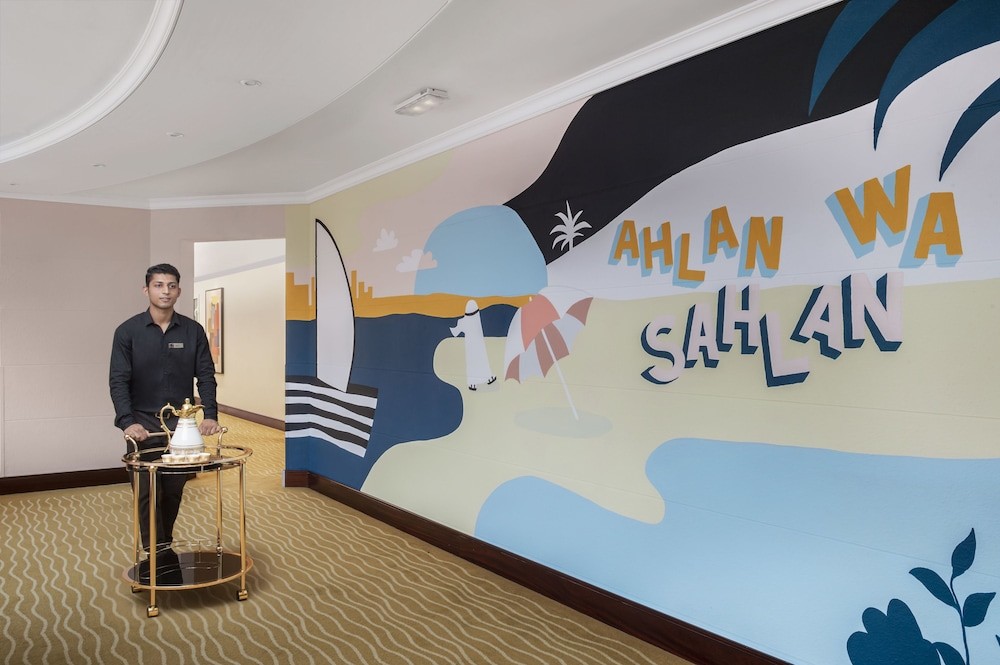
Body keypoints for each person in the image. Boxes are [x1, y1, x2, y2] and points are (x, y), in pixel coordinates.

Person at [109, 263, 221, 555]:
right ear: (146, 290)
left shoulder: (193, 331)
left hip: (181, 427)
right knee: (147, 493)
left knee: (172, 491)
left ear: (178, 291)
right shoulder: (127, 332)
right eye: (158, 285)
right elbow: (118, 380)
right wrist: (127, 422)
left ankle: (164, 545)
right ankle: (155, 552)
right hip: (142, 426)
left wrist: (210, 414)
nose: (165, 291)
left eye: (171, 286)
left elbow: (206, 375)